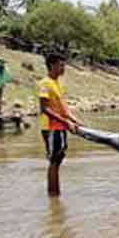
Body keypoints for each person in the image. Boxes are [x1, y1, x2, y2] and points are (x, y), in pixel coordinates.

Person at [37, 53, 83, 196]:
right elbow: (45, 109)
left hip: (60, 127)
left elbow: (62, 107)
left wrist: (73, 119)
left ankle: (55, 198)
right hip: (51, 128)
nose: (64, 68)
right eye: (61, 65)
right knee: (54, 161)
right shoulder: (45, 83)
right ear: (52, 65)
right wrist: (66, 121)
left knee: (59, 158)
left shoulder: (58, 84)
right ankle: (53, 195)